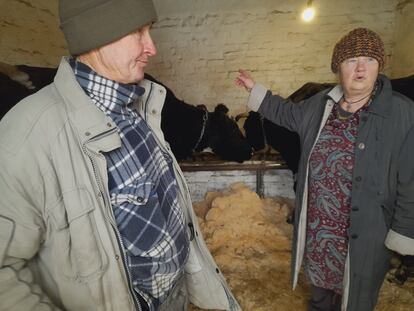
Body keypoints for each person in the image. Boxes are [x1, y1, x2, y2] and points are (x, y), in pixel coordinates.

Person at [0, 1, 241, 310]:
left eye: (149, 30)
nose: (151, 47)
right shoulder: (25, 135)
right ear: (95, 35)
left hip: (176, 295)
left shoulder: (144, 104)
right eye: (138, 31)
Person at [235, 27, 414, 311]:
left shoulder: (401, 112)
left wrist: (404, 228)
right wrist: (256, 90)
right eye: (350, 60)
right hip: (320, 230)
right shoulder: (321, 104)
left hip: (366, 231)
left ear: (380, 64)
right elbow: (287, 113)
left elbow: (410, 177)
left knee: (356, 298)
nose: (359, 68)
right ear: (337, 68)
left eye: (368, 59)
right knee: (319, 295)